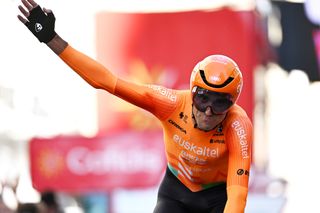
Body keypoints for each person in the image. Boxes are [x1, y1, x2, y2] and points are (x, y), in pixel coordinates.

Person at [17, 0, 253, 212]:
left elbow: (238, 194)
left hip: (216, 197)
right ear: (191, 93)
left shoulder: (238, 125)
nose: (209, 111)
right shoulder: (169, 103)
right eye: (203, 99)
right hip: (177, 192)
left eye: (220, 103)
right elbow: (106, 82)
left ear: (232, 104)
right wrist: (51, 39)